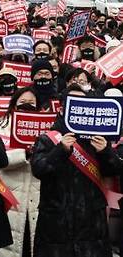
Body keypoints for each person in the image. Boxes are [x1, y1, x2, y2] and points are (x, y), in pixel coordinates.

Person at [31, 84, 123, 257]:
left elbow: (115, 171)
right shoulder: (49, 139)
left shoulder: (98, 139)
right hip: (55, 227)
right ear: (62, 109)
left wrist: (105, 152)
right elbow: (38, 169)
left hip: (91, 229)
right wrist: (60, 150)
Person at [0, 87, 40, 257]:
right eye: (23, 103)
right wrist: (24, 153)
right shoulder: (2, 127)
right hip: (11, 195)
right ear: (14, 106)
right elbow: (0, 160)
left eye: (31, 103)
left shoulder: (46, 128)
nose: (27, 106)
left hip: (36, 197)